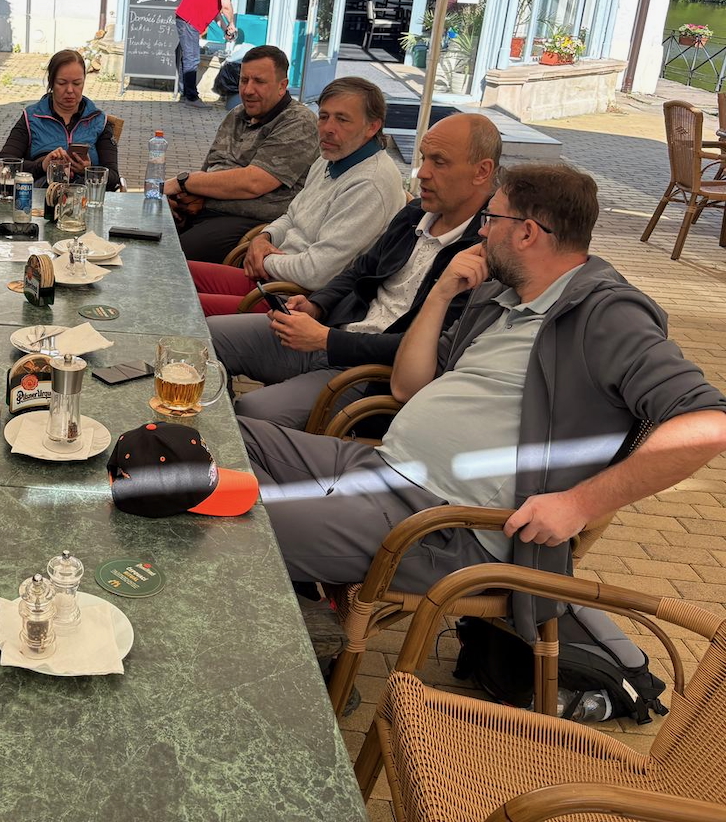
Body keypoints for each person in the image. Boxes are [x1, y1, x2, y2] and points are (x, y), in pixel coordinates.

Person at [239, 163, 726, 652]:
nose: (481, 232)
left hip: (442, 524)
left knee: (235, 527)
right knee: (228, 439)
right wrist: (441, 293)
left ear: (527, 233)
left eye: (491, 219)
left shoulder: (606, 315)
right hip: (380, 468)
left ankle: (297, 634)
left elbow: (708, 422)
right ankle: (294, 616)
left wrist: (580, 504)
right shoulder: (498, 294)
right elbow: (408, 386)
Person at [209, 113, 500, 428]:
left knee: (254, 411)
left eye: (439, 162)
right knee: (208, 338)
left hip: (368, 374)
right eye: (423, 158)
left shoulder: (483, 255)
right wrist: (317, 305)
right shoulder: (416, 213)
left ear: (481, 171)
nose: (422, 173)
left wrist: (327, 340)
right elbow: (360, 269)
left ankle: (230, 448)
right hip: (332, 332)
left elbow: (431, 350)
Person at [189, 76, 406, 296]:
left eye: (342, 119)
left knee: (184, 302)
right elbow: (292, 215)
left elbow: (316, 273)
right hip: (273, 279)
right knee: (176, 275)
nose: (328, 128)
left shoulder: (369, 183)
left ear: (372, 127)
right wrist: (264, 238)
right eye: (323, 116)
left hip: (294, 299)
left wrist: (264, 259)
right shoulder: (331, 158)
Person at [162, 46, 318, 262]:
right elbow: (210, 170)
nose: (248, 90)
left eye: (259, 82)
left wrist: (182, 183)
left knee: (171, 258)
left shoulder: (298, 122)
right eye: (244, 80)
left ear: (282, 86)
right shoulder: (236, 115)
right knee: (142, 233)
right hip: (206, 211)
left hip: (249, 222)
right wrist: (189, 197)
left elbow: (253, 183)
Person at [0, 48, 121, 190]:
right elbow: (3, 165)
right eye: (62, 83)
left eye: (77, 83)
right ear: (51, 83)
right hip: (39, 198)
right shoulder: (31, 117)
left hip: (84, 198)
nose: (70, 90)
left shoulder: (99, 120)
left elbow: (114, 177)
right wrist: (42, 165)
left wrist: (88, 170)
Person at [174, 0, 252, 107]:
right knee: (192, 58)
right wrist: (232, 24)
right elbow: (226, 7)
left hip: (188, 20)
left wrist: (225, 29)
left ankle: (186, 93)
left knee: (188, 57)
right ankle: (191, 97)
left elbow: (216, 12)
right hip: (189, 20)